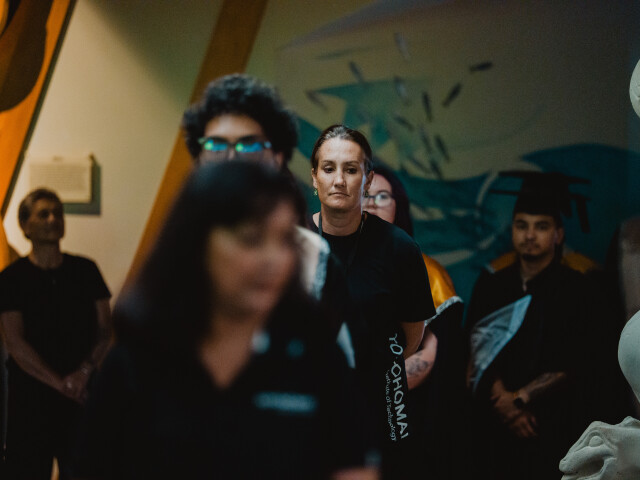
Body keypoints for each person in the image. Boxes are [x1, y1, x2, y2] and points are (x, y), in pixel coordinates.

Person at [73, 161, 378, 479]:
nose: (274, 259)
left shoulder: (317, 360)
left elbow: (355, 468)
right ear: (198, 242)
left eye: (285, 240)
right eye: (252, 239)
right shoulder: (137, 363)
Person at [182, 74, 349, 343]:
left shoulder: (313, 260)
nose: (231, 159)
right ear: (199, 158)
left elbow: (332, 360)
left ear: (277, 158)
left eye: (250, 146)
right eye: (215, 145)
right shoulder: (175, 247)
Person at [308, 125, 436, 478]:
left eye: (351, 169)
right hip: (304, 404)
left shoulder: (399, 248)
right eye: (329, 168)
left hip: (375, 408)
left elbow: (411, 336)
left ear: (367, 179)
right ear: (314, 177)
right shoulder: (292, 241)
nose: (339, 180)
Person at [465, 171, 602, 480]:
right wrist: (503, 402)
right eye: (521, 225)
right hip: (496, 427)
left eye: (541, 226)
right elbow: (475, 348)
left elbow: (581, 359)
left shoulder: (579, 289)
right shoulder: (491, 285)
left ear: (558, 234)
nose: (529, 235)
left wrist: (519, 399)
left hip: (555, 424)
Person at [364, 163, 468, 480]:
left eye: (382, 196)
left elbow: (432, 352)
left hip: (406, 416)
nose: (371, 203)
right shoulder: (331, 263)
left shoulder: (426, 273)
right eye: (364, 195)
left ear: (399, 206)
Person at [0, 188, 111, 480]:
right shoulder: (11, 279)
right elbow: (14, 341)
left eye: (58, 213)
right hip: (31, 398)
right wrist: (60, 383)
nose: (53, 219)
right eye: (44, 214)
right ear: (25, 225)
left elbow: (104, 331)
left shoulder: (86, 270)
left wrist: (82, 373)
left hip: (82, 393)